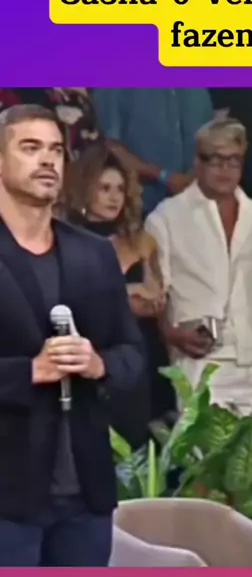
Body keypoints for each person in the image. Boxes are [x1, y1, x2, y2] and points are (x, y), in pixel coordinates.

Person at [0, 105, 144, 566]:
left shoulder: (94, 253)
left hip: (85, 494)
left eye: (56, 150)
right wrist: (31, 372)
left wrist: (98, 364)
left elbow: (132, 354)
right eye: (30, 148)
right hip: (8, 497)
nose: (47, 160)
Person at [145, 118, 252, 415]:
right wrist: (171, 335)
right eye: (216, 159)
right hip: (200, 363)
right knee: (204, 446)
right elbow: (155, 293)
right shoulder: (166, 218)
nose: (225, 169)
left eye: (234, 161)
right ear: (198, 162)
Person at [64, 141, 172, 446]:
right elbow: (73, 301)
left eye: (120, 189)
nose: (114, 197)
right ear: (86, 189)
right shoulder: (65, 239)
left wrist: (122, 296)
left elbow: (156, 297)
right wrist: (131, 293)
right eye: (105, 188)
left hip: (140, 351)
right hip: (91, 354)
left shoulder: (140, 241)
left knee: (139, 446)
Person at [91, 88, 215, 215]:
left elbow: (212, 142)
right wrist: (162, 175)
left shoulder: (198, 89)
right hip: (138, 208)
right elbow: (105, 145)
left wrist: (194, 177)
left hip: (195, 207)